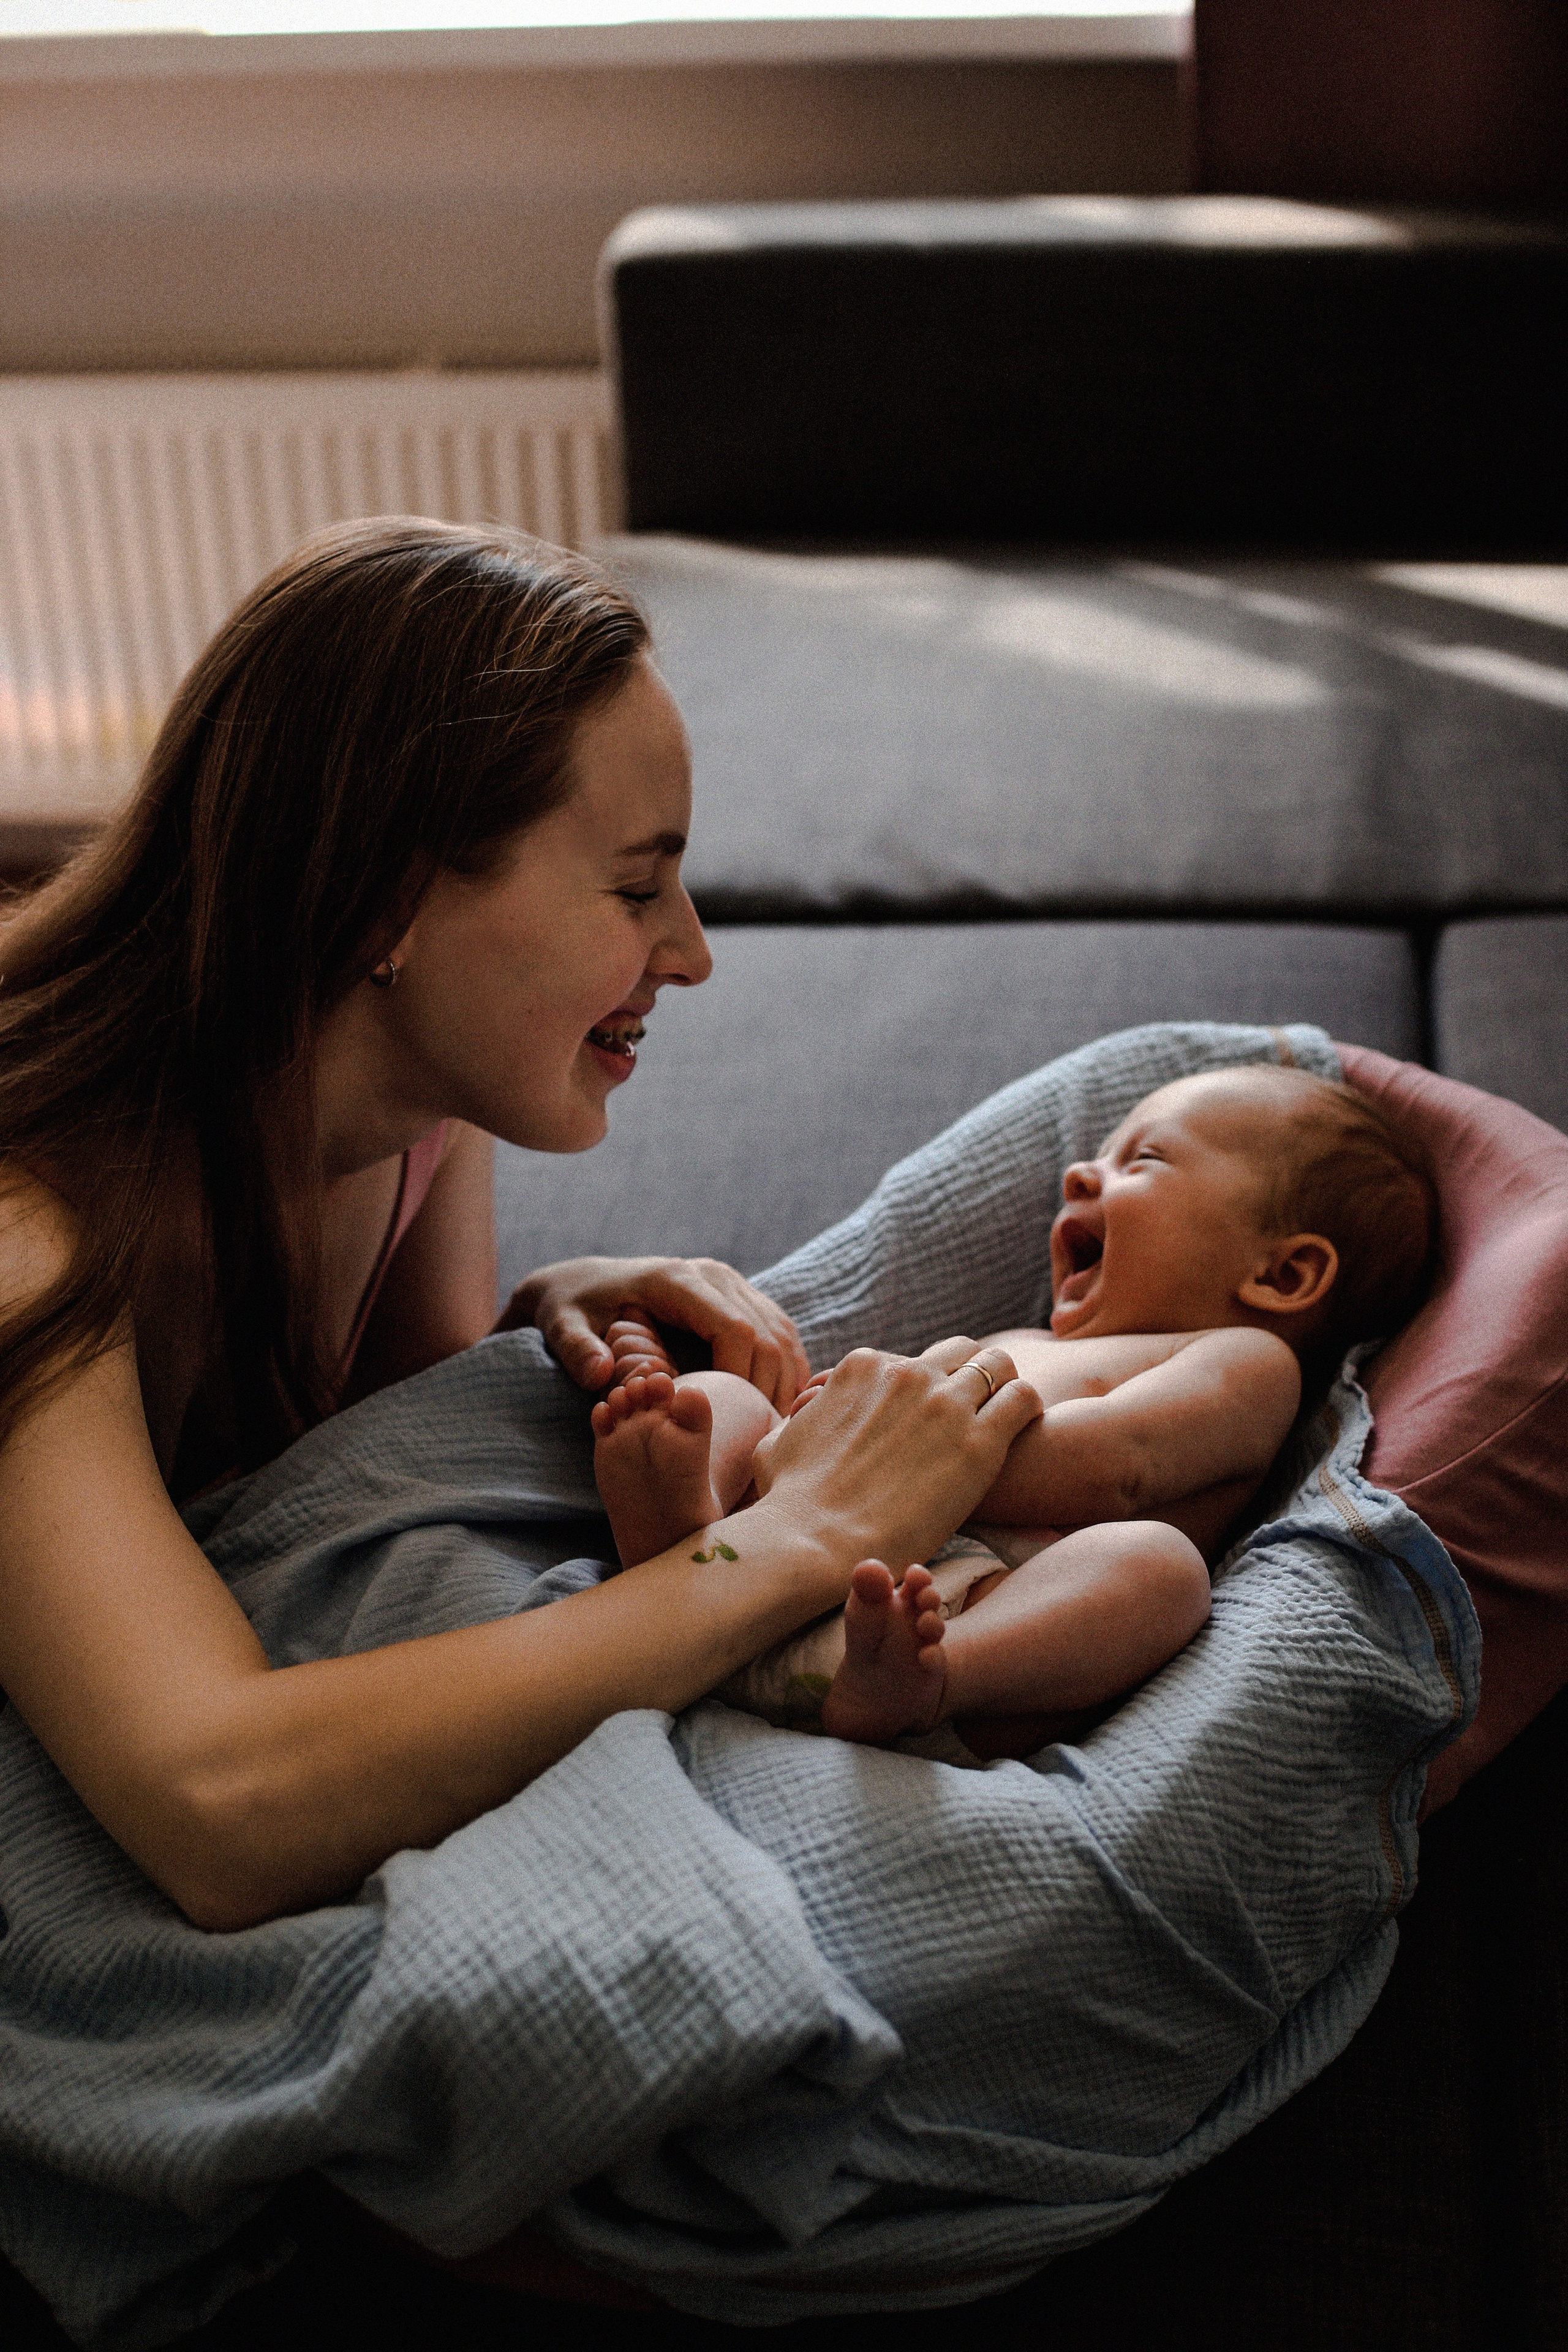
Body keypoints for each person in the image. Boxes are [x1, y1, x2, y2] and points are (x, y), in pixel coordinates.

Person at [0, 516, 1043, 1933]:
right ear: (388, 897)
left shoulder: (420, 1092)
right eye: (633, 886)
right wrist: (800, 1536)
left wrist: (548, 1303)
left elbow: (382, 1472)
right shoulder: (31, 1232)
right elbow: (219, 1804)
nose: (688, 951)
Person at [590, 1063, 1434, 1749]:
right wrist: (813, 1441)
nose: (1079, 1172)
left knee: (1159, 1572)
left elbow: (1123, 1469)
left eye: (1141, 1161)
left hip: (964, 1606)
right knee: (721, 1401)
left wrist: (886, 1461)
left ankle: (932, 1679)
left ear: (1280, 1276)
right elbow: (868, 1427)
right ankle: (683, 1530)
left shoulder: (1247, 1361)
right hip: (775, 1559)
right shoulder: (1022, 1339)